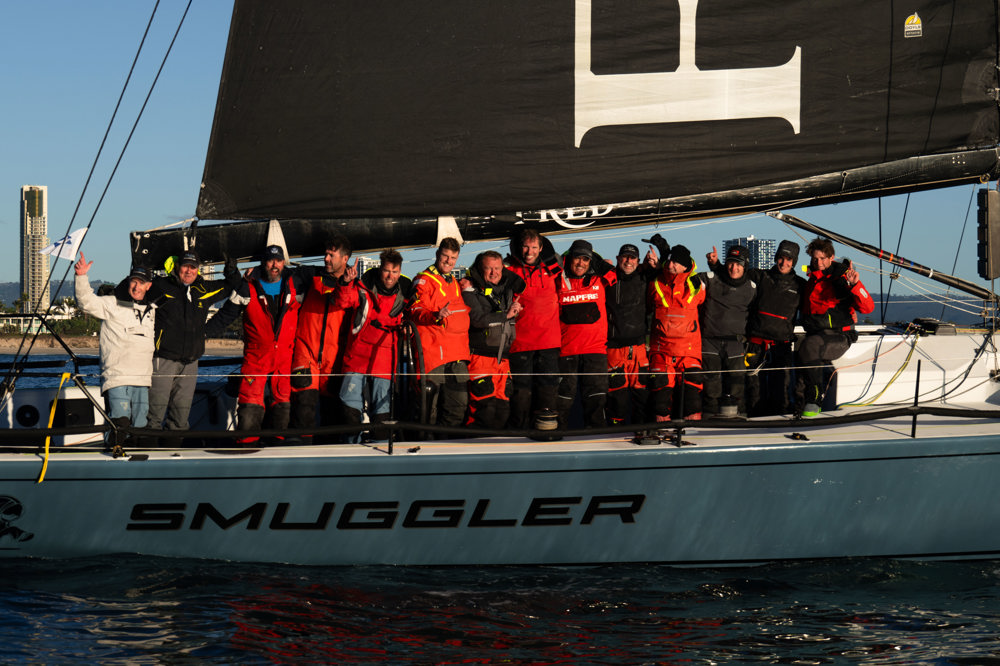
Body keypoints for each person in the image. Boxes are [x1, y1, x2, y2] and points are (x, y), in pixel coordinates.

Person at [205, 245, 303, 444]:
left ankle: (279, 459)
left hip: (284, 363)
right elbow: (224, 316)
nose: (274, 265)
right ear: (263, 263)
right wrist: (200, 335)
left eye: (278, 260)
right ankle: (246, 456)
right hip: (255, 362)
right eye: (270, 260)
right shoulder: (246, 287)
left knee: (282, 414)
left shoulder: (297, 285)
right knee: (249, 413)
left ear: (284, 263)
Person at [146, 249, 238, 433]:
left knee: (180, 418)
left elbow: (232, 285)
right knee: (154, 416)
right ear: (177, 267)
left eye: (193, 268)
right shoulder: (160, 286)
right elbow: (135, 291)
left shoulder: (202, 290)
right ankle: (150, 453)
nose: (189, 271)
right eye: (185, 267)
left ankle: (175, 454)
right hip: (162, 359)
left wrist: (232, 270)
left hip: (191, 362)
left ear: (198, 270)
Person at [74, 254, 156, 447]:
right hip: (117, 378)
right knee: (120, 422)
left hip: (143, 379)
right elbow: (86, 302)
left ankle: (138, 465)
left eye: (141, 283)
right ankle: (112, 455)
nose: (136, 286)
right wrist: (81, 277)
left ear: (148, 286)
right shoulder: (112, 303)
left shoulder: (152, 310)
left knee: (140, 426)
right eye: (133, 281)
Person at [334, 249, 411, 442]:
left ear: (400, 272)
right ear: (379, 269)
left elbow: (416, 314)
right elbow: (343, 300)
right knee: (349, 412)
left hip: (385, 361)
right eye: (386, 271)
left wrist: (408, 329)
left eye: (394, 272)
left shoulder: (407, 294)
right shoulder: (362, 287)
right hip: (357, 357)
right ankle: (351, 450)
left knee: (382, 417)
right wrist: (344, 282)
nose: (390, 276)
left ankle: (380, 453)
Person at [797, 237, 874, 417]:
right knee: (800, 361)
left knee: (809, 347)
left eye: (823, 258)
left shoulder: (841, 277)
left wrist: (855, 284)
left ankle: (815, 397)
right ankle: (798, 410)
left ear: (832, 258)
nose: (819, 263)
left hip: (840, 336)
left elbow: (868, 307)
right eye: (815, 259)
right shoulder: (811, 281)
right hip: (818, 336)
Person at [289, 234, 353, 440]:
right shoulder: (309, 276)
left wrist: (344, 283)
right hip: (305, 355)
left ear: (345, 258)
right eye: (325, 254)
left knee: (332, 417)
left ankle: (329, 461)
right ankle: (300, 458)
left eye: (331, 255)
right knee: (303, 411)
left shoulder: (353, 286)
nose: (326, 259)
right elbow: (280, 275)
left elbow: (343, 302)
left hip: (333, 362)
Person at [408, 237, 471, 429]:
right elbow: (414, 310)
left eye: (453, 257)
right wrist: (435, 315)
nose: (448, 261)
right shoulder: (424, 280)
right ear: (437, 254)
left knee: (458, 407)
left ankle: (450, 447)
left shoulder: (454, 281)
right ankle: (426, 448)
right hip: (434, 355)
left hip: (457, 356)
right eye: (445, 256)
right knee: (428, 411)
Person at [504, 228, 563, 429]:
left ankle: (546, 431)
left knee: (548, 388)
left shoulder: (554, 268)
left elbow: (580, 265)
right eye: (526, 247)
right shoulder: (509, 269)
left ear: (541, 249)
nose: (529, 251)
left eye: (534, 247)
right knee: (521, 392)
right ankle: (519, 432)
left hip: (549, 341)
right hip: (520, 343)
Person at [461, 250, 526, 430]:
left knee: (503, 410)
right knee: (484, 410)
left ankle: (496, 451)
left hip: (503, 360)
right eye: (488, 268)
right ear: (479, 270)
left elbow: (520, 283)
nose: (494, 272)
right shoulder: (469, 291)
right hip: (480, 358)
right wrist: (506, 314)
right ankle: (472, 449)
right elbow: (477, 319)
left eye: (497, 268)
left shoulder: (506, 288)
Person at [556, 239, 616, 428]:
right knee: (562, 400)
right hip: (566, 352)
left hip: (595, 351)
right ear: (568, 258)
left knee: (596, 400)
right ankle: (556, 441)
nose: (580, 263)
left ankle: (597, 438)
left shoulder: (600, 279)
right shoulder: (557, 280)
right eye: (577, 258)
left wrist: (596, 259)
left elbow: (615, 273)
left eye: (586, 259)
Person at [742, 240, 808, 416]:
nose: (784, 263)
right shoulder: (760, 276)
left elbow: (818, 303)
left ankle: (780, 427)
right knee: (754, 392)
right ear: (775, 257)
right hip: (755, 346)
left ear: (794, 262)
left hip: (782, 347)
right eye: (781, 258)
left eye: (788, 259)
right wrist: (715, 264)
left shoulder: (800, 285)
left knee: (782, 392)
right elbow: (733, 277)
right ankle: (755, 427)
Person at [648, 243, 706, 421]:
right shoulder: (655, 280)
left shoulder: (696, 284)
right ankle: (660, 433)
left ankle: (694, 435)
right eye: (670, 261)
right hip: (662, 351)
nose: (670, 264)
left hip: (689, 352)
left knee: (693, 400)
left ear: (685, 266)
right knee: (660, 401)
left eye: (675, 262)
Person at [698, 245, 757, 417]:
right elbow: (682, 279)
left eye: (738, 264)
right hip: (710, 340)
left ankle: (739, 416)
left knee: (737, 383)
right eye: (731, 263)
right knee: (711, 384)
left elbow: (755, 314)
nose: (734, 267)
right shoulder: (711, 279)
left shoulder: (752, 288)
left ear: (745, 265)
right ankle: (708, 416)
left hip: (736, 343)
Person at [605, 242, 658, 427]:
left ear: (638, 261)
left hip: (638, 348)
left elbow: (668, 273)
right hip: (613, 349)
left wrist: (658, 259)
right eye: (625, 257)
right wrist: (601, 263)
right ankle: (613, 434)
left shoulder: (645, 277)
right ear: (618, 258)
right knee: (616, 400)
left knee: (642, 396)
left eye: (633, 257)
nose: (629, 261)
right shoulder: (607, 277)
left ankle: (641, 432)